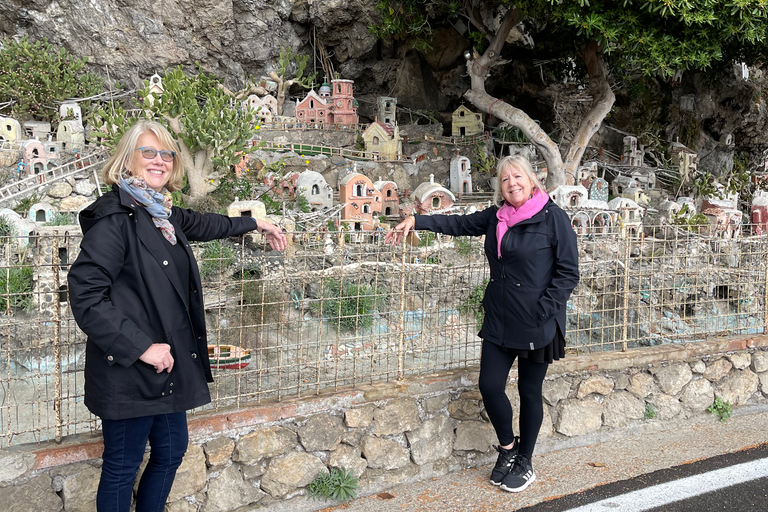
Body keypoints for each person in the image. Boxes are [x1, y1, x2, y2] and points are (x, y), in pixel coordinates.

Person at [68, 120, 287, 511]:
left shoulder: (162, 215)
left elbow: (208, 223)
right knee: (122, 464)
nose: (159, 160)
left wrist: (257, 222)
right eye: (147, 152)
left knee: (171, 452)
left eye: (166, 153)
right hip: (132, 368)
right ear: (127, 161)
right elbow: (85, 297)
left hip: (167, 368)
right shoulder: (115, 220)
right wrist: (142, 348)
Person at [385, 155, 578, 493]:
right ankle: (507, 449)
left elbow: (567, 272)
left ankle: (525, 461)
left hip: (536, 321)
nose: (512, 184)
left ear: (532, 180)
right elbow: (458, 225)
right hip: (500, 317)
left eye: (517, 177)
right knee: (490, 386)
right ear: (500, 188)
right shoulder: (496, 217)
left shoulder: (553, 218)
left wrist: (543, 310)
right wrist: (417, 221)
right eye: (505, 180)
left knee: (529, 392)